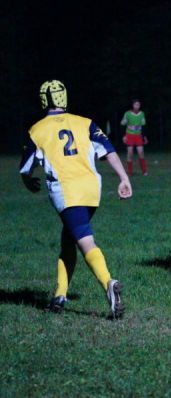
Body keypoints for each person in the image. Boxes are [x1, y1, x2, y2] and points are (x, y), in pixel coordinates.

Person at [20, 80, 132, 318]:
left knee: (84, 242)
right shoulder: (86, 123)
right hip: (92, 190)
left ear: (42, 100)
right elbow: (109, 150)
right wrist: (124, 178)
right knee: (68, 240)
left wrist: (28, 182)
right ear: (64, 97)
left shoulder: (37, 129)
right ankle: (60, 295)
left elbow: (25, 168)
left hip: (67, 191)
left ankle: (108, 284)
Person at [121, 99, 148, 176]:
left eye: (138, 105)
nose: (137, 106)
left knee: (141, 153)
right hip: (130, 136)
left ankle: (144, 171)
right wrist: (124, 136)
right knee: (130, 154)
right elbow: (123, 124)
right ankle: (130, 172)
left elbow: (143, 126)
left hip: (138, 136)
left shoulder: (142, 114)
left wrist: (144, 137)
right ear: (132, 105)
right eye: (135, 104)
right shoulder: (127, 114)